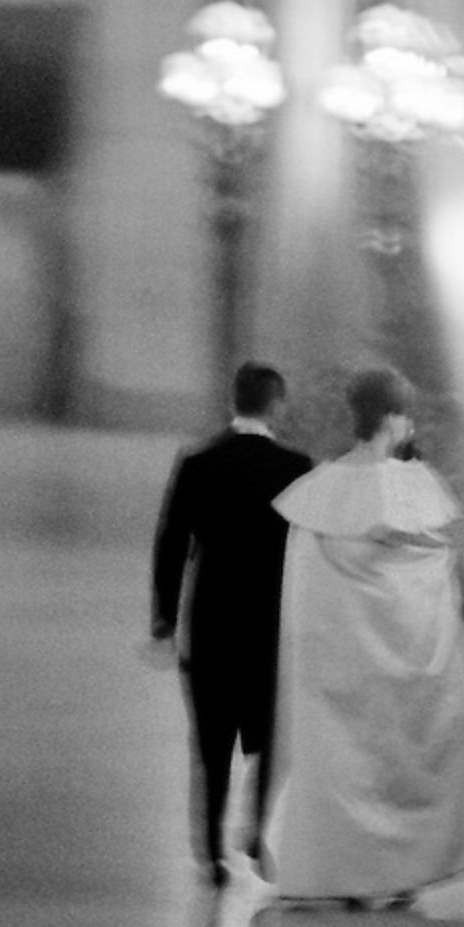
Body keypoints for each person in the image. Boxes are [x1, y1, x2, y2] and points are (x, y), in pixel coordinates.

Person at [265, 367, 464, 905]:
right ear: (394, 419)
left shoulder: (322, 491)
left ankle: (343, 874)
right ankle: (400, 868)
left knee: (343, 764)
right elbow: (419, 569)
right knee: (397, 762)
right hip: (395, 666)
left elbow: (314, 587)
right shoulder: (406, 488)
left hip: (335, 663)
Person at [151, 362, 312, 888]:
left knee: (211, 744)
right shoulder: (296, 468)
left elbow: (172, 542)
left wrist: (164, 618)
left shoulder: (198, 463)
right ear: (276, 405)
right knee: (270, 738)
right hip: (270, 628)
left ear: (232, 401)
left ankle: (211, 853)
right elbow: (311, 552)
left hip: (212, 621)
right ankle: (257, 831)